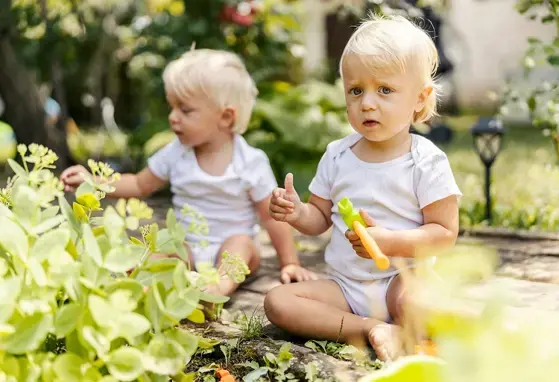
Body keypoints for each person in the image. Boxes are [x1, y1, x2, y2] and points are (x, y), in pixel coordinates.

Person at [265, 14, 461, 362]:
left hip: (400, 281)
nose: (367, 103)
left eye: (384, 90)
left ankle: (402, 323)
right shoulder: (338, 155)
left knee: (419, 303)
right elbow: (319, 218)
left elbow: (445, 233)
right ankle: (371, 328)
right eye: (356, 90)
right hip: (345, 287)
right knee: (278, 302)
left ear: (420, 98)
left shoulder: (426, 161)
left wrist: (389, 241)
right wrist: (297, 213)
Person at [61, 49, 316, 296]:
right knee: (163, 244)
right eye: (172, 107)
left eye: (185, 110)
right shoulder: (176, 152)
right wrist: (94, 181)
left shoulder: (250, 162)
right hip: (188, 247)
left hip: (235, 254)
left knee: (239, 244)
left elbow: (271, 218)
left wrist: (289, 262)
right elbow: (139, 184)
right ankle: (139, 280)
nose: (173, 117)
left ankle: (215, 290)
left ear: (226, 118)